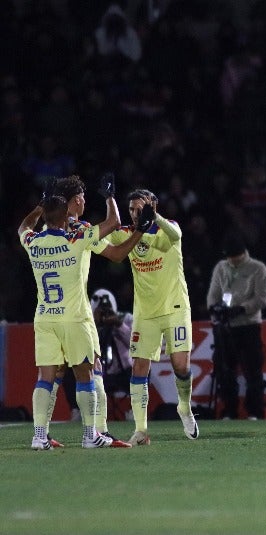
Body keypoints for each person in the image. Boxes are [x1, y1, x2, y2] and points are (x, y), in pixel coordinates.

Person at [18, 179, 140, 449]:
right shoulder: (78, 237)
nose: (85, 202)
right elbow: (113, 223)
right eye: (82, 198)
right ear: (69, 209)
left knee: (46, 377)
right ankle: (91, 435)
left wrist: (40, 206)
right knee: (87, 373)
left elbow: (23, 227)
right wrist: (110, 197)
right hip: (75, 317)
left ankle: (39, 436)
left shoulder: (33, 242)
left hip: (45, 317)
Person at [103, 188, 197, 446]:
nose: (134, 214)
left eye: (139, 208)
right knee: (139, 367)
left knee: (181, 366)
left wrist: (153, 218)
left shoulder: (168, 228)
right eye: (131, 209)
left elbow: (176, 235)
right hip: (145, 313)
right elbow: (107, 232)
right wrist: (108, 199)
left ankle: (185, 408)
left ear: (153, 205)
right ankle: (141, 430)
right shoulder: (127, 233)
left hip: (175, 307)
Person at [207, 234, 266, 420]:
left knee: (252, 371)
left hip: (248, 326)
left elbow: (264, 297)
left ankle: (255, 411)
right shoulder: (221, 267)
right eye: (229, 257)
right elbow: (213, 292)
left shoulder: (257, 268)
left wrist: (243, 308)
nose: (232, 261)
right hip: (224, 327)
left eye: (235, 257)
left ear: (242, 254)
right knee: (225, 371)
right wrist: (214, 309)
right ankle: (229, 410)